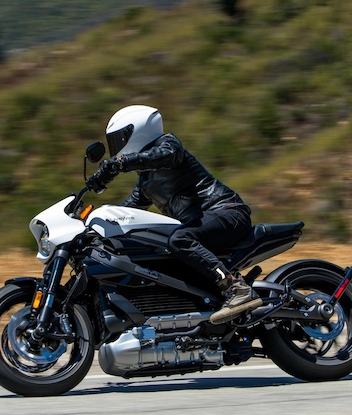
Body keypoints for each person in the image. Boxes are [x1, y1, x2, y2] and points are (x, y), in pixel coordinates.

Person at [86, 105, 262, 323]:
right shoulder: (146, 182)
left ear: (137, 131)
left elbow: (162, 156)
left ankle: (236, 288)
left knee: (180, 239)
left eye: (118, 141)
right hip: (204, 223)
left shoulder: (169, 146)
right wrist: (94, 227)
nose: (116, 149)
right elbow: (125, 212)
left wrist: (121, 163)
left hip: (226, 211)